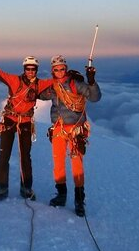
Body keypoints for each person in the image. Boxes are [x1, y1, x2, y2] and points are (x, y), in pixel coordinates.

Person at [0, 43, 53, 201]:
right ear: (24, 69)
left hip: (25, 122)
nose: (30, 71)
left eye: (33, 69)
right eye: (28, 68)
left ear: (36, 70)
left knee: (25, 156)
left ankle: (26, 189)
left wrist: (74, 77)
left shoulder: (40, 84)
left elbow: (57, 81)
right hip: (9, 120)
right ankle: (2, 189)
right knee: (4, 155)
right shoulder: (14, 81)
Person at [38, 55, 101, 217]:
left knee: (77, 164)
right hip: (58, 128)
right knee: (58, 162)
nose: (59, 71)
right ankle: (61, 195)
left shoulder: (75, 84)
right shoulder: (53, 87)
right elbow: (40, 94)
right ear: (53, 71)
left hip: (75, 130)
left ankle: (79, 200)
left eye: (62, 68)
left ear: (65, 69)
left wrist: (92, 81)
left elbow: (94, 97)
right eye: (56, 69)